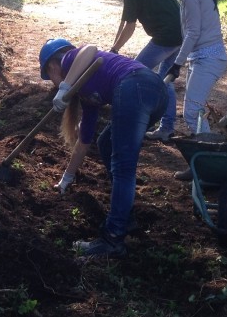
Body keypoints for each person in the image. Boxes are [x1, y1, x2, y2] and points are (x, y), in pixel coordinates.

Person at [39, 37, 168, 261]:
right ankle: (125, 218)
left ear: (52, 66)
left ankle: (113, 238)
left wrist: (64, 86)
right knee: (105, 143)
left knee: (123, 167)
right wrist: (67, 178)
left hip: (134, 86)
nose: (51, 83)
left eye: (49, 76)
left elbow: (90, 49)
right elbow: (84, 142)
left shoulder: (70, 60)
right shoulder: (88, 93)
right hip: (155, 93)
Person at [158, 0, 227, 180]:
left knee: (192, 112)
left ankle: (208, 167)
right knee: (193, 111)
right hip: (202, 56)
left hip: (209, 57)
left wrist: (177, 64)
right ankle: (205, 164)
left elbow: (193, 33)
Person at [102, 0, 182, 141]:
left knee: (133, 73)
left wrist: (115, 49)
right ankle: (167, 128)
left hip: (166, 37)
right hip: (181, 33)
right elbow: (125, 21)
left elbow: (130, 26)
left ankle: (132, 120)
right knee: (166, 80)